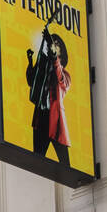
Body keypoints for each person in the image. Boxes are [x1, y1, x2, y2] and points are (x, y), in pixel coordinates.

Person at [25, 21, 73, 167]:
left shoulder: (64, 74)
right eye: (52, 44)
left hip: (55, 120)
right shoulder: (43, 69)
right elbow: (31, 80)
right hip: (41, 118)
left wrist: (52, 52)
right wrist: (30, 61)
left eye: (56, 44)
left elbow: (60, 78)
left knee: (65, 164)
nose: (52, 46)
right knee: (37, 161)